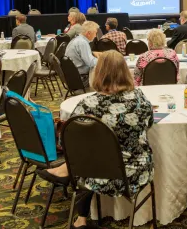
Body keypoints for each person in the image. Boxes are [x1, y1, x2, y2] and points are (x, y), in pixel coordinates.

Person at [39, 51, 154, 229]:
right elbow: (149, 124)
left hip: (96, 172)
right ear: (126, 71)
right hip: (135, 171)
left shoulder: (88, 104)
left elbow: (68, 142)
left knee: (86, 155)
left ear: (98, 72)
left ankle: (80, 217)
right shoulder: (141, 99)